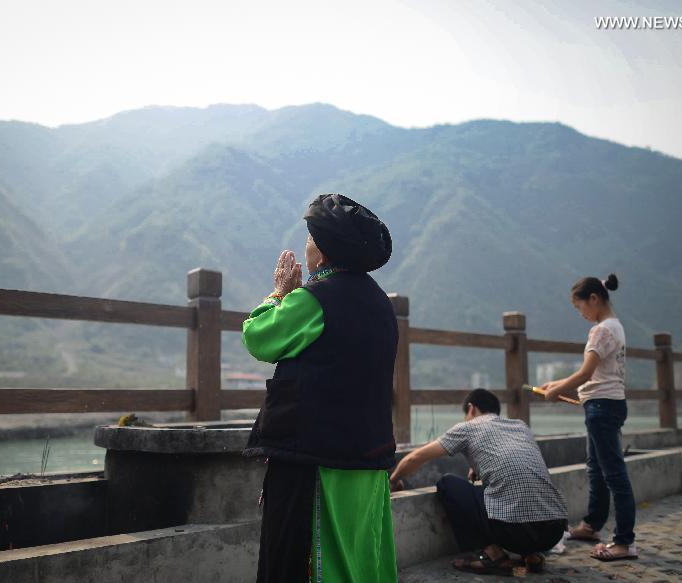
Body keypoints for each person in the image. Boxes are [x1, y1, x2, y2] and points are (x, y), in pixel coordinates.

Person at [242, 193, 398, 583]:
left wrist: (280, 293)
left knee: (304, 555)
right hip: (367, 453)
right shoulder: (380, 303)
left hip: (316, 455)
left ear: (324, 253)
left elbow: (260, 338)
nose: (306, 245)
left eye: (310, 238)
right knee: (359, 553)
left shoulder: (315, 299)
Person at [389, 388, 568, 576]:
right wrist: (477, 466)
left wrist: (394, 480)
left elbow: (414, 459)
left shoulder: (467, 427)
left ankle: (494, 556)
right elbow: (515, 462)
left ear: (471, 409)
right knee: (513, 492)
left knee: (448, 484)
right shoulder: (520, 426)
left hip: (515, 532)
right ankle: (531, 557)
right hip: (553, 532)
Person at [542, 273, 638, 562]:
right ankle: (591, 525)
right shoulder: (615, 327)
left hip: (602, 408)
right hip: (605, 404)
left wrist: (555, 390)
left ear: (594, 299)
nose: (580, 313)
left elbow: (585, 373)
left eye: (579, 306)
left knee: (614, 475)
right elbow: (594, 375)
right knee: (596, 468)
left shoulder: (601, 331)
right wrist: (555, 385)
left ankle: (624, 542)